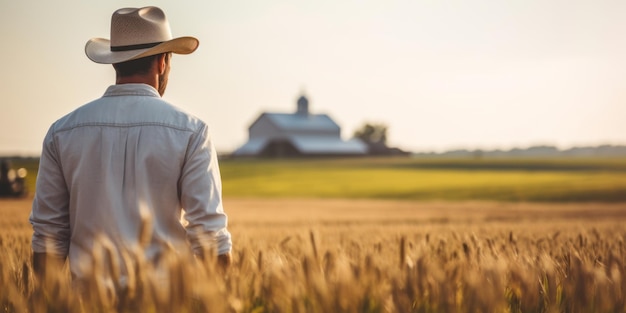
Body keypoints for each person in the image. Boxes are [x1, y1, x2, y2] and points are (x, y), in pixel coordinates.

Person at [30, 6, 232, 283]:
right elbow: (210, 238)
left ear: (115, 61)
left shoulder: (62, 132)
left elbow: (48, 238)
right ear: (162, 62)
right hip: (166, 302)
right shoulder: (191, 132)